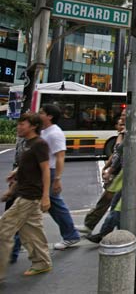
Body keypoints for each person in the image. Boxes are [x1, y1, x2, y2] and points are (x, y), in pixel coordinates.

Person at [86, 117, 136, 267]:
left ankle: (126, 246)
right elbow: (120, 157)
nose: (123, 125)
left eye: (127, 121)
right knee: (135, 215)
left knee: (121, 213)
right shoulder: (132, 137)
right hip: (128, 184)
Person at [0, 113, 52, 282]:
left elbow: (45, 170)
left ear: (33, 126)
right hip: (24, 193)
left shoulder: (39, 144)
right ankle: (42, 262)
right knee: (32, 232)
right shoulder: (27, 144)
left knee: (4, 230)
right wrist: (12, 188)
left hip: (30, 196)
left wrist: (46, 196)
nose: (19, 127)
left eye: (23, 124)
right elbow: (26, 171)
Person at [39, 104, 81, 250]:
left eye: (41, 113)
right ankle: (70, 233)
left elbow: (60, 156)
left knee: (55, 205)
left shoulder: (55, 133)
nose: (39, 115)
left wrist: (57, 178)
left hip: (49, 172)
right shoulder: (44, 131)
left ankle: (71, 235)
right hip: (42, 172)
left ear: (49, 116)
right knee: (52, 206)